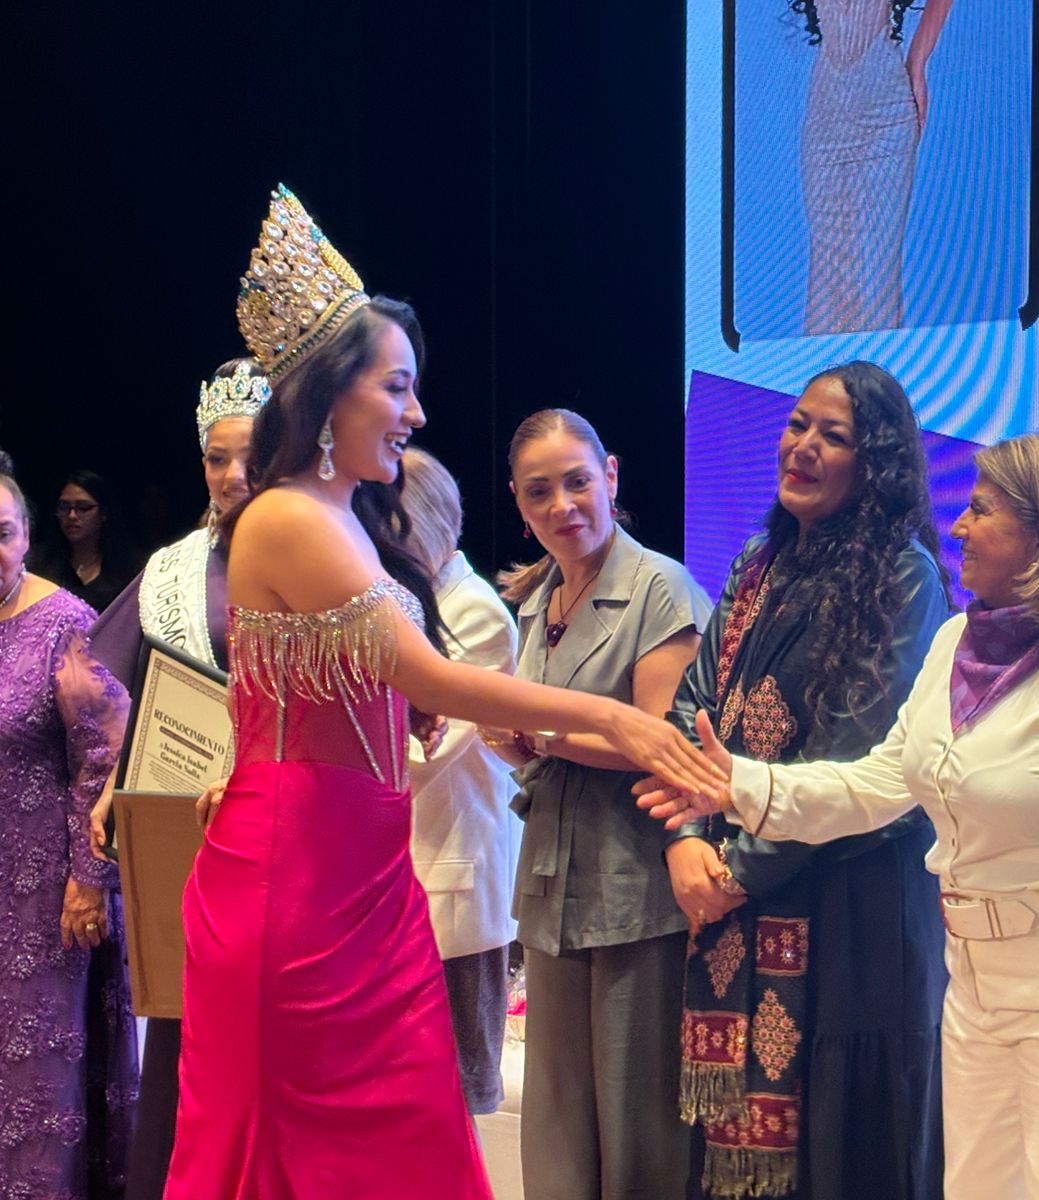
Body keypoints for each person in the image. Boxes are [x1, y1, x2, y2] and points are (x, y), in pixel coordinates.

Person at [163, 185, 725, 1198]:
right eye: (397, 387)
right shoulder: (286, 516)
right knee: (311, 1150)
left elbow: (380, 687)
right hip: (299, 881)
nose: (416, 414)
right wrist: (613, 718)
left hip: (360, 871)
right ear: (329, 395)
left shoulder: (342, 517)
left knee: (407, 1138)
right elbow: (425, 673)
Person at [643, 429, 1039, 1200]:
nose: (958, 527)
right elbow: (880, 782)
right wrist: (742, 787)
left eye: (982, 510)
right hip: (972, 992)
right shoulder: (958, 638)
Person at [666, 361, 949, 1199]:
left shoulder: (903, 577)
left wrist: (731, 874)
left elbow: (859, 758)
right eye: (797, 425)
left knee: (844, 1150)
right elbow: (693, 709)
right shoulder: (758, 564)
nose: (804, 446)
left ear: (877, 463)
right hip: (732, 889)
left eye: (834, 435)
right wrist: (686, 840)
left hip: (854, 911)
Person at [482, 408, 711, 1198]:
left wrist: (540, 734)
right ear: (517, 502)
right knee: (555, 1125)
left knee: (636, 1127)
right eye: (539, 491)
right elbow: (542, 747)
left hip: (635, 889)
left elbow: (661, 742)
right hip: (550, 885)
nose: (562, 506)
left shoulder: (659, 587)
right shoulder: (536, 599)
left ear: (610, 476)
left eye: (577, 482)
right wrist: (513, 743)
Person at [84, 355, 269, 1200]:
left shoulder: (322, 550)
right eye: (216, 459)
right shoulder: (172, 568)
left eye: (250, 457)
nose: (233, 476)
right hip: (187, 826)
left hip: (281, 823)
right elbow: (136, 689)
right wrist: (112, 782)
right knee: (185, 1026)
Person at [0, 453, 141, 1194]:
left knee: (35, 1079)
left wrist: (90, 883)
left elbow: (106, 761)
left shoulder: (66, 624)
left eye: (2, 533)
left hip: (42, 899)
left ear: (28, 535)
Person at [394, 447, 522, 1119]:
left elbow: (420, 755)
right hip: (398, 889)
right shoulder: (406, 605)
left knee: (454, 1108)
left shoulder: (476, 614)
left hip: (450, 888)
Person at [795, 0, 952, 335]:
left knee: (878, 274)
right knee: (827, 274)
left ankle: (877, 370)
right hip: (825, 117)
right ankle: (822, 368)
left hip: (887, 114)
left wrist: (918, 64)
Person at [30, 469, 140, 612]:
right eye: (64, 507)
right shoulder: (37, 561)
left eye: (83, 507)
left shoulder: (128, 565)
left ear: (104, 513)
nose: (72, 515)